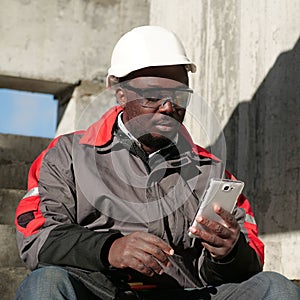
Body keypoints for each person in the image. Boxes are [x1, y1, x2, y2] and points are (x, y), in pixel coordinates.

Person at [14, 25, 300, 300]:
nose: (167, 107)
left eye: (179, 97)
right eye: (153, 97)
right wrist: (110, 248)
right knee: (45, 284)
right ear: (121, 95)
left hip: (187, 294)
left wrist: (228, 253)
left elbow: (249, 259)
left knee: (274, 287)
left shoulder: (211, 171)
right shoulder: (67, 155)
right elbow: (36, 234)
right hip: (100, 292)